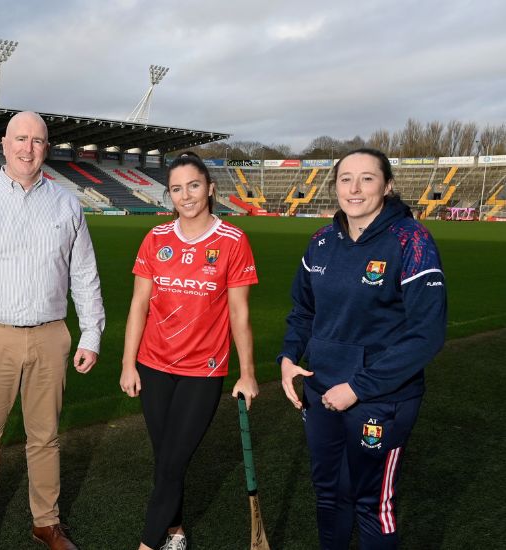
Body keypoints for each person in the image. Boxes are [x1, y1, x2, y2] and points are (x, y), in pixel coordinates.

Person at [0, 111, 105, 550]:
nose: (28, 148)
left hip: (50, 335)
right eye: (21, 139)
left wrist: (91, 334)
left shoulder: (67, 204)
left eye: (37, 140)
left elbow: (84, 275)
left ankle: (46, 522)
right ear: (5, 145)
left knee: (45, 437)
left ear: (46, 148)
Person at [279, 148, 447, 549]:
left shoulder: (412, 240)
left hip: (381, 399)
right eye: (345, 179)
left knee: (372, 503)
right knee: (329, 495)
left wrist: (357, 387)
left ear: (387, 186)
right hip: (320, 392)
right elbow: (303, 310)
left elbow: (426, 334)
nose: (354, 188)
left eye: (367, 178)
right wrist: (288, 356)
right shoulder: (321, 241)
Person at [119, 152, 260, 550]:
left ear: (210, 188)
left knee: (173, 459)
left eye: (194, 186)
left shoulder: (233, 240)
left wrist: (247, 373)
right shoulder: (157, 238)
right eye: (177, 189)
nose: (186, 196)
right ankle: (175, 530)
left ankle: (148, 545)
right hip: (153, 364)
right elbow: (138, 305)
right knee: (166, 457)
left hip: (204, 369)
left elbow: (239, 313)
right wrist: (128, 364)